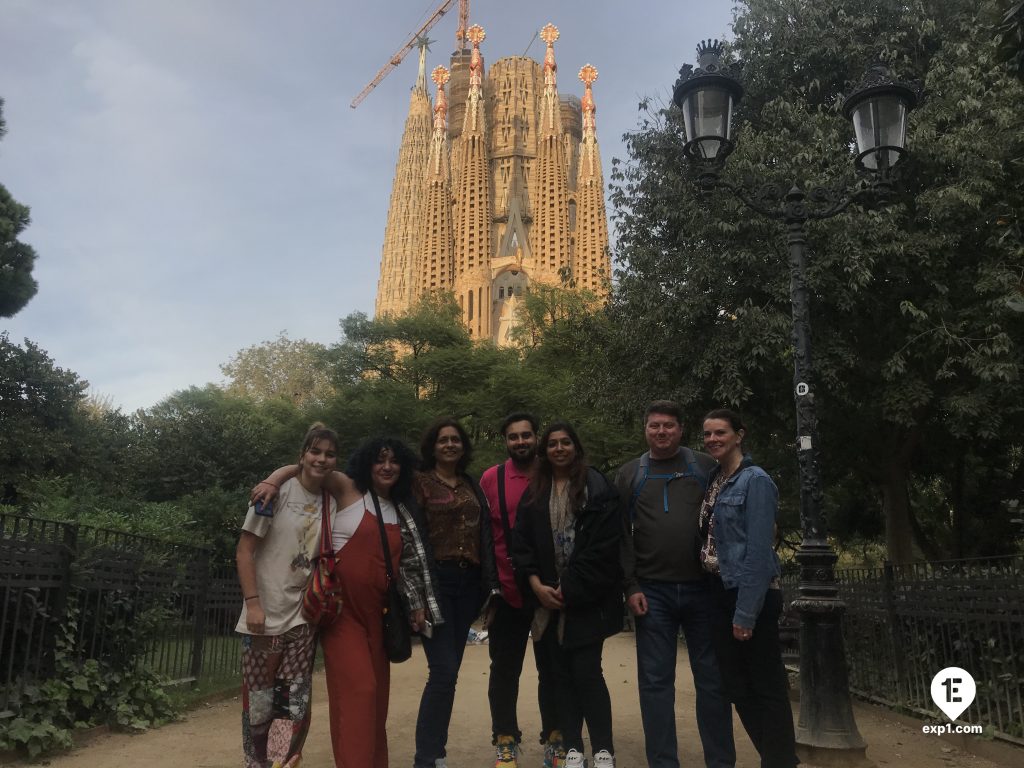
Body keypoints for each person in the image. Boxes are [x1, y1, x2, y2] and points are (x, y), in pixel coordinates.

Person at [252, 437, 441, 768]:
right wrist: (273, 479)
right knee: (359, 692)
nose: (387, 466)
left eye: (394, 461)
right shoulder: (349, 488)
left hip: (378, 615)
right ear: (367, 463)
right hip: (342, 614)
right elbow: (308, 468)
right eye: (380, 459)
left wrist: (417, 604)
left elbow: (409, 564)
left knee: (377, 700)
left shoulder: (402, 508)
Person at [615, 401, 735, 768]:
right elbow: (620, 535)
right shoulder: (630, 474)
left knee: (713, 681)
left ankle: (721, 762)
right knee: (655, 684)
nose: (661, 431)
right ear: (645, 430)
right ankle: (663, 762)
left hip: (703, 589)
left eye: (668, 425)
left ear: (681, 429)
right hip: (652, 592)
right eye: (654, 426)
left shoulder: (705, 466)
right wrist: (630, 585)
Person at [512, 421, 622, 768]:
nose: (559, 449)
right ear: (544, 452)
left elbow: (604, 546)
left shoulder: (597, 487)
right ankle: (572, 748)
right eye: (552, 444)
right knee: (558, 676)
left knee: (588, 674)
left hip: (586, 600)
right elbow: (521, 544)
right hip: (545, 602)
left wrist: (570, 587)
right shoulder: (534, 492)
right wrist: (535, 585)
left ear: (576, 447)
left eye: (565, 442)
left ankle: (603, 749)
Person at [235, 423, 339, 768]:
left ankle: (280, 763)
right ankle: (257, 762)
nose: (321, 459)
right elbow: (244, 551)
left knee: (291, 701)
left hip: (303, 616)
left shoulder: (331, 501)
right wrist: (253, 604)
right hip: (263, 614)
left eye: (329, 454)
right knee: (260, 701)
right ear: (302, 455)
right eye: (315, 451)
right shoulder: (274, 494)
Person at [699, 409, 798, 768]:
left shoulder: (756, 481)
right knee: (737, 687)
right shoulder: (714, 479)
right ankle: (774, 757)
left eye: (720, 432)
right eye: (707, 434)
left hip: (750, 593)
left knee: (766, 685)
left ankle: (780, 761)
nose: (712, 439)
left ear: (739, 435)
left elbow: (758, 551)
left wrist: (745, 612)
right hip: (719, 591)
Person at [412, 417, 498, 768]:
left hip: (468, 584)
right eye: (443, 440)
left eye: (455, 440)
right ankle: (427, 758)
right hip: (436, 582)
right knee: (443, 672)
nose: (450, 444)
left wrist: (490, 587)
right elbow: (410, 536)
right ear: (432, 446)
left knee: (449, 673)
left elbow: (485, 536)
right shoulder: (418, 482)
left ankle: (436, 753)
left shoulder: (470, 484)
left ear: (463, 446)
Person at [478, 413, 559, 767]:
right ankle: (505, 739)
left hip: (550, 592)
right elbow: (483, 535)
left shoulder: (553, 473)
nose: (521, 441)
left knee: (553, 669)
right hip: (508, 591)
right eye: (514, 437)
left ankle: (555, 738)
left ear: (536, 437)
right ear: (505, 441)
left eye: (526, 435)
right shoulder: (490, 479)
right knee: (504, 670)